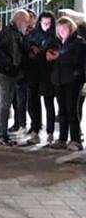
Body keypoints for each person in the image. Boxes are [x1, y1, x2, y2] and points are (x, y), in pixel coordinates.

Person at [0, 10, 30, 146]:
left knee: (6, 103)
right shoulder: (8, 32)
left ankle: (3, 133)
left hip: (10, 72)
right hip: (5, 73)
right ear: (18, 20)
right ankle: (2, 134)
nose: (27, 24)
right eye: (26, 21)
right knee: (4, 103)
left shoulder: (16, 33)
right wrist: (9, 66)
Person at [48, 16, 85, 151]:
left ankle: (75, 139)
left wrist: (59, 56)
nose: (62, 31)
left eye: (64, 29)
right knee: (62, 110)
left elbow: (77, 60)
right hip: (59, 79)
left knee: (72, 110)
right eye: (59, 29)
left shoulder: (78, 42)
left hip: (72, 81)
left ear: (71, 28)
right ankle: (62, 139)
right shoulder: (58, 43)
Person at [25, 11, 58, 144]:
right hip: (33, 72)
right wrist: (31, 50)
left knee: (48, 102)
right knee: (32, 102)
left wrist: (43, 52)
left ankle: (50, 132)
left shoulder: (54, 36)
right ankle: (35, 129)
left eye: (48, 23)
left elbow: (55, 51)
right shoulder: (33, 34)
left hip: (47, 73)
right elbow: (26, 47)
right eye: (43, 23)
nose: (45, 26)